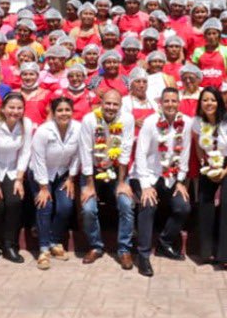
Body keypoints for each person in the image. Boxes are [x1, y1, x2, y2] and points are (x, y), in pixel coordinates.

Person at [131, 87, 193, 277]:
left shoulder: (187, 123)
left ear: (179, 103)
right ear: (161, 103)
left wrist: (181, 181)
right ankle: (143, 255)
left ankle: (165, 242)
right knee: (148, 205)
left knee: (183, 207)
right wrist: (145, 186)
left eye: (174, 101)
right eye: (167, 101)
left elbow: (185, 153)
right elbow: (140, 154)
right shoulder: (150, 122)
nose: (171, 104)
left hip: (171, 177)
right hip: (146, 175)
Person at [78, 89, 137, 268]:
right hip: (92, 171)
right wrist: (89, 185)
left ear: (120, 105)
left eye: (115, 104)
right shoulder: (89, 120)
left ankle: (124, 249)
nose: (111, 107)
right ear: (101, 103)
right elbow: (85, 152)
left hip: (116, 169)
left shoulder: (127, 119)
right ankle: (96, 246)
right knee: (88, 208)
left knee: (126, 204)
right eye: (108, 103)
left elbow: (125, 150)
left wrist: (121, 183)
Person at [191, 87, 227, 270]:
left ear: (219, 102)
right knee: (205, 203)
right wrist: (204, 164)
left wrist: (226, 170)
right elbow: (198, 145)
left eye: (212, 100)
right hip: (209, 161)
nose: (209, 104)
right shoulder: (197, 121)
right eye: (205, 100)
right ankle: (207, 251)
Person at [0, 91, 34, 264]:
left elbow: (25, 153)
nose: (15, 111)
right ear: (3, 108)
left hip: (12, 170)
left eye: (19, 108)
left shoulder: (26, 124)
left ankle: (10, 244)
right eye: (11, 107)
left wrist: (19, 179)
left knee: (15, 202)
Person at [29, 96, 82, 270]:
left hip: (63, 174)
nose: (64, 113)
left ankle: (54, 240)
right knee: (45, 206)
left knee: (65, 206)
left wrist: (71, 178)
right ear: (52, 112)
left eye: (67, 110)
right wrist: (44, 187)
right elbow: (38, 160)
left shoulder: (78, 129)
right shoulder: (44, 131)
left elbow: (77, 156)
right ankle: (43, 248)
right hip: (40, 173)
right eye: (60, 110)